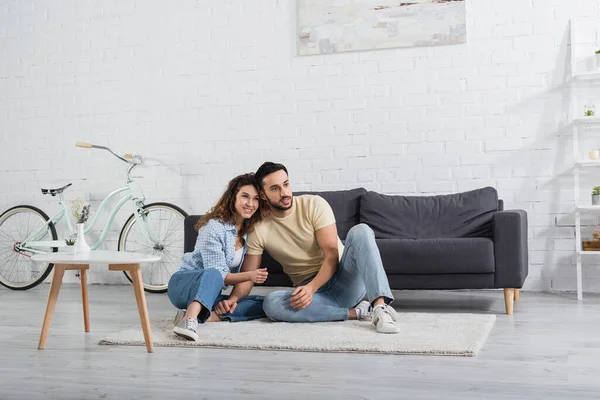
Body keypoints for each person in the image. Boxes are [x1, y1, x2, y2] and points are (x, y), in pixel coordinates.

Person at [214, 162, 399, 334]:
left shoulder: (314, 204)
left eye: (286, 184)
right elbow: (249, 275)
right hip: (314, 294)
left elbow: (331, 256)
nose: (284, 193)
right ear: (263, 194)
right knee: (271, 304)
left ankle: (379, 308)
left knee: (361, 230)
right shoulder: (259, 228)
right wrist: (233, 300)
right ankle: (357, 313)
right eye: (275, 189)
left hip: (344, 278)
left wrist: (310, 288)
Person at [168, 173, 268, 341]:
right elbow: (218, 275)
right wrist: (250, 275)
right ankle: (190, 319)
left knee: (264, 304)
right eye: (245, 196)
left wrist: (231, 300)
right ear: (232, 197)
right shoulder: (213, 227)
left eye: (256, 199)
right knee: (213, 273)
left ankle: (204, 316)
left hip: (209, 293)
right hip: (182, 285)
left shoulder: (247, 234)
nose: (251, 204)